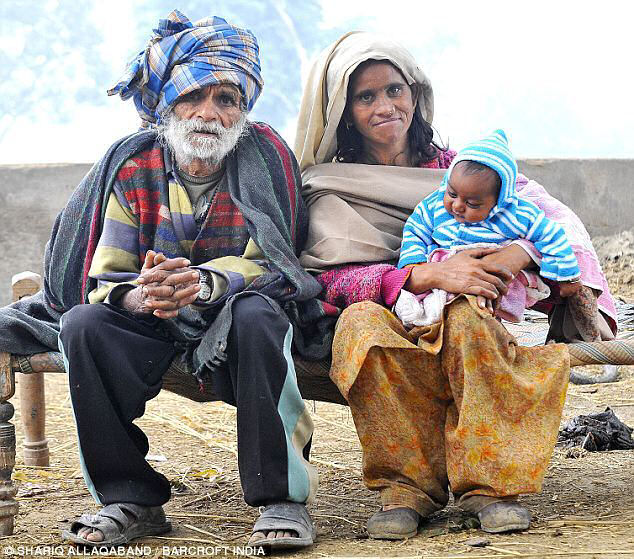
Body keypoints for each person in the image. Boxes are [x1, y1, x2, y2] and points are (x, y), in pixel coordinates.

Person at [0, 10, 319, 550]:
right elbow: (109, 272)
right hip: (153, 319)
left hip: (234, 317)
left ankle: (281, 498)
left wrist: (205, 283)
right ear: (168, 105)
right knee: (83, 324)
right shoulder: (134, 165)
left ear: (244, 109)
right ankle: (130, 499)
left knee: (260, 314)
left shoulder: (267, 158)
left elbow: (273, 263)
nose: (207, 114)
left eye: (226, 100)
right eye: (192, 98)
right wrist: (139, 294)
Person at [294, 31, 617, 540]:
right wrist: (424, 274)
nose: (385, 106)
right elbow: (326, 279)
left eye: (395, 90)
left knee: (468, 316)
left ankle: (486, 487)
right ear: (343, 111)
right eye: (366, 96)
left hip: (477, 310)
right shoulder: (328, 183)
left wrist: (521, 254)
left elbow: (554, 225)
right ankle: (405, 488)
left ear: (416, 95)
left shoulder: (462, 169)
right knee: (359, 326)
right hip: (398, 308)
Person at [396, 128, 595, 330]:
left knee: (485, 303)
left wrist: (566, 276)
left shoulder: (515, 215)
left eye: (472, 203)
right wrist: (415, 262)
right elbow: (415, 229)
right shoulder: (434, 206)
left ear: (499, 201)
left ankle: (487, 321)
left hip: (493, 275)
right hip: (444, 267)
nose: (457, 206)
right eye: (452, 194)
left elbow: (551, 235)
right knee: (418, 304)